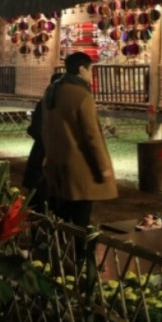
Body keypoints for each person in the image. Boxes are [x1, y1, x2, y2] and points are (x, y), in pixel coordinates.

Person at [42, 52, 117, 239]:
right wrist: (103, 168)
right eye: (91, 70)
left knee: (62, 217)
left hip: (57, 163)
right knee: (81, 220)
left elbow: (46, 127)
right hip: (80, 167)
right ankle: (79, 254)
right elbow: (92, 136)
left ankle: (60, 251)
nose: (91, 75)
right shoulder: (82, 96)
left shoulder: (53, 91)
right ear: (82, 69)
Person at [24, 72, 64, 211]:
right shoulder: (50, 103)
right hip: (45, 152)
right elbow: (36, 128)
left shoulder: (45, 102)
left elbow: (34, 128)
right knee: (42, 191)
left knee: (41, 191)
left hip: (41, 151)